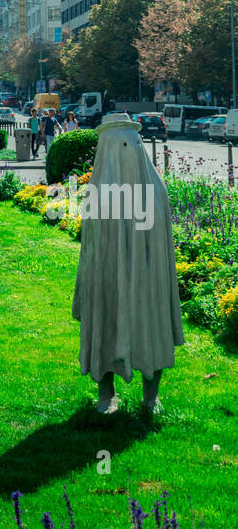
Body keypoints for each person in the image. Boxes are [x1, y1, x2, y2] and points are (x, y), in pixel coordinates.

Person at [72, 114, 184, 414]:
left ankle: (151, 395)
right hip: (107, 280)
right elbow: (91, 248)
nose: (123, 152)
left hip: (148, 280)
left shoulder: (156, 192)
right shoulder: (98, 194)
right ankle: (106, 393)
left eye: (129, 145)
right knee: (106, 321)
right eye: (115, 146)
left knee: (151, 327)